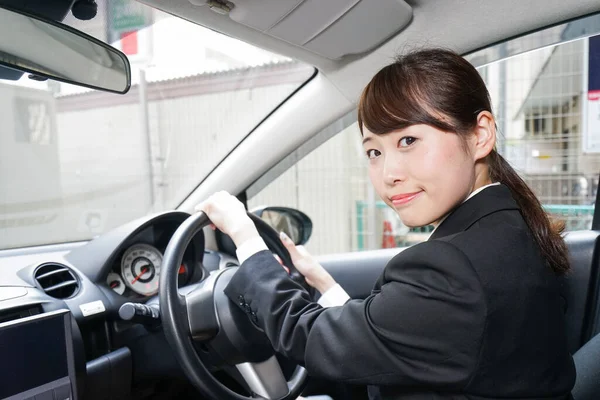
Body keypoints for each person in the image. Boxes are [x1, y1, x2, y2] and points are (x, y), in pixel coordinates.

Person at [196, 48, 576, 400]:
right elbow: (408, 336)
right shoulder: (515, 228)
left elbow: (308, 336)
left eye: (408, 140)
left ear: (480, 135)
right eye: (374, 151)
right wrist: (323, 282)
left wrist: (246, 240)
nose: (389, 173)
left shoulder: (453, 268)